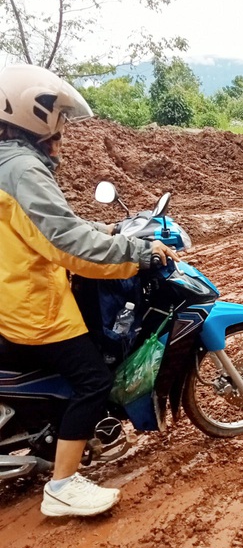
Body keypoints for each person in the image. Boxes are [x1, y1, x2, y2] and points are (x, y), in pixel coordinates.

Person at [0, 64, 179, 517]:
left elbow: (50, 227)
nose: (61, 129)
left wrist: (109, 228)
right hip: (30, 304)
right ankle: (62, 485)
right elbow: (69, 245)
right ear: (33, 112)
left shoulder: (7, 162)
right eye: (56, 117)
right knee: (93, 379)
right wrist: (138, 252)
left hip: (12, 289)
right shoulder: (22, 168)